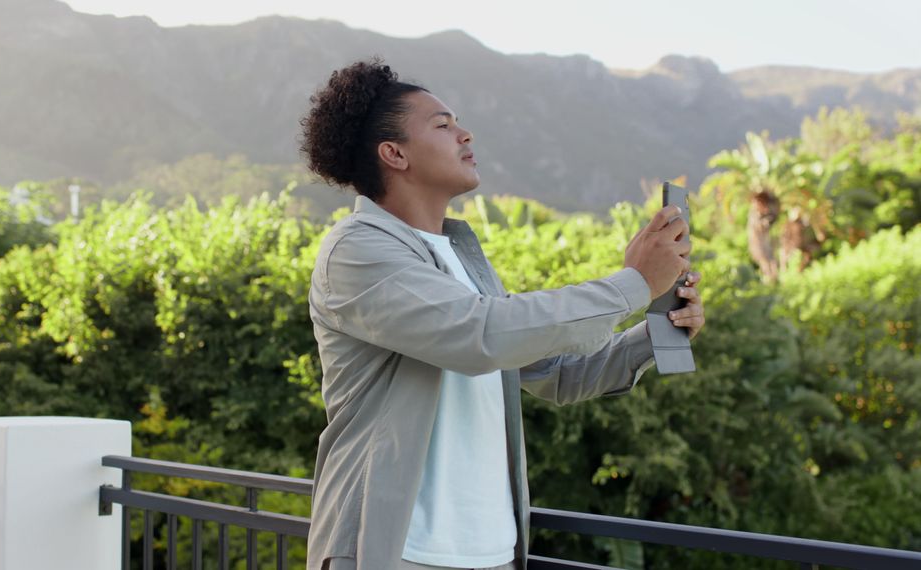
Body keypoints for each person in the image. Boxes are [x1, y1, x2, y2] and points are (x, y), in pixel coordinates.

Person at [299, 58, 705, 570]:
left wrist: (658, 328)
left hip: (493, 552)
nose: (465, 134)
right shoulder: (356, 250)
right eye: (443, 125)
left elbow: (557, 373)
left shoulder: (463, 259)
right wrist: (635, 283)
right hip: (394, 551)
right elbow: (482, 335)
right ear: (394, 153)